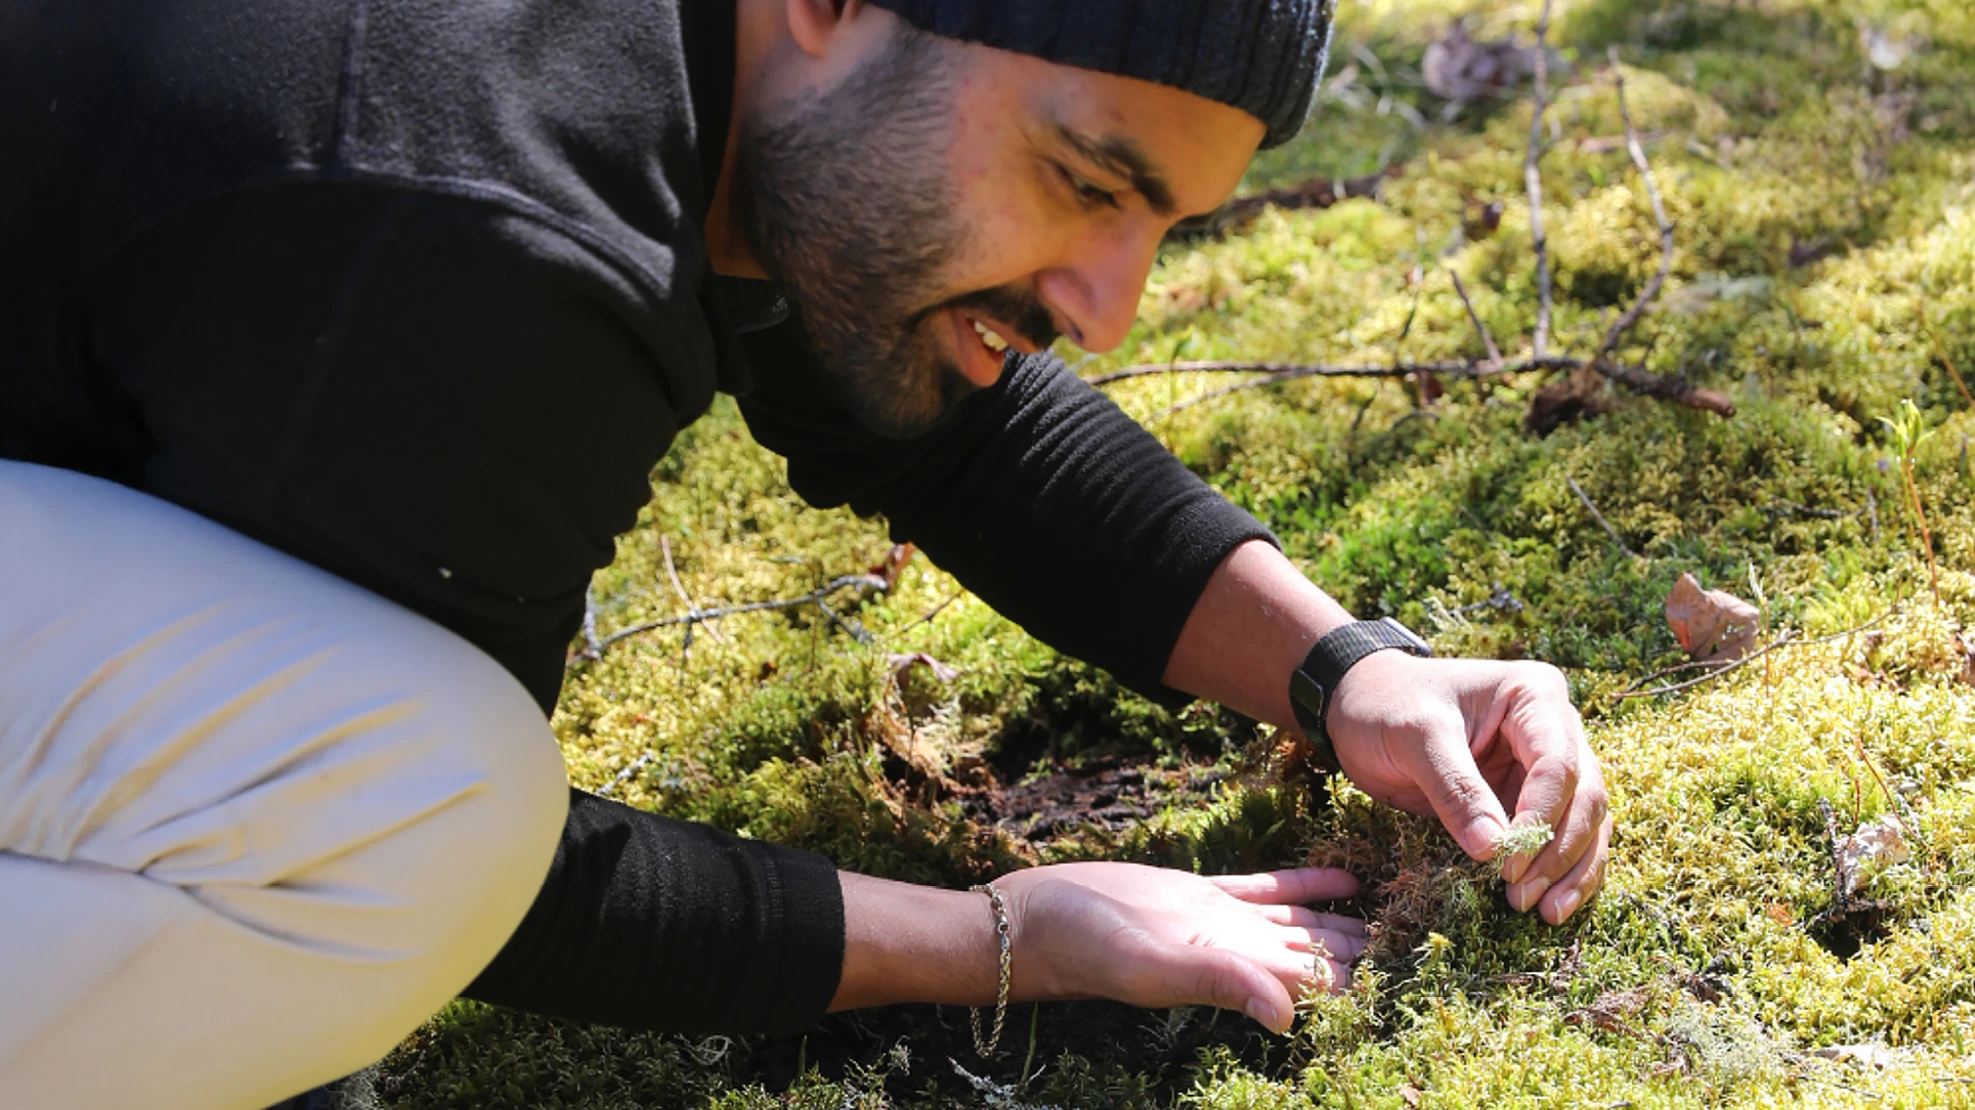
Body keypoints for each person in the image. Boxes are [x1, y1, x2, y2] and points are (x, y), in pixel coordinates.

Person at [0, 0, 1613, 1106]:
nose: (1109, 307)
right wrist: (1001, 938)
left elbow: (943, 417)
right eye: (1080, 178)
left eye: (1158, 225)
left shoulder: (718, 77)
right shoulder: (478, 230)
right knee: (425, 803)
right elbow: (480, 873)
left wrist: (1346, 671)